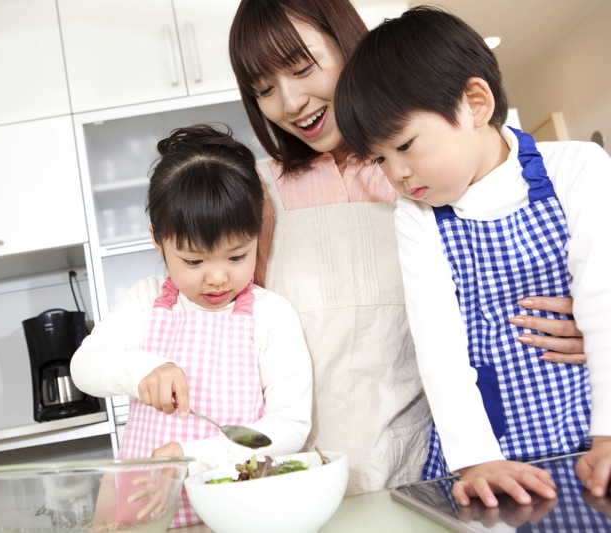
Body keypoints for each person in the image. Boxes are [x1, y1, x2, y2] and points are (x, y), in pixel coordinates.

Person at [228, 0, 587, 495]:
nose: (289, 102)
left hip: (433, 465)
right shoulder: (257, 195)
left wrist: (589, 325)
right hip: (307, 480)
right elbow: (228, 340)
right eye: (264, 89)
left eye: (302, 67)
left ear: (346, 41)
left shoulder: (441, 167)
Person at [335, 5, 611, 509]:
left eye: (405, 145)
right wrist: (475, 458)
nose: (397, 174)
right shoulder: (417, 214)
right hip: (491, 447)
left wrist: (610, 437)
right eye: (380, 158)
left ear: (475, 103)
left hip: (593, 428)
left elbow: (604, 304)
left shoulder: (579, 169)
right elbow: (436, 343)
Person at [71, 124, 312, 528]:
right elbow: (84, 368)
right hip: (143, 511)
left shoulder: (272, 315)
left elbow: (290, 426)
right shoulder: (147, 301)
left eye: (237, 257)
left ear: (258, 233)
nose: (217, 278)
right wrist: (139, 370)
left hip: (237, 510)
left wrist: (191, 457)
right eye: (194, 262)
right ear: (157, 241)